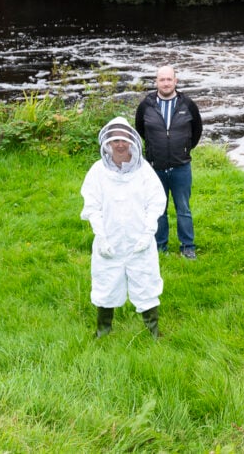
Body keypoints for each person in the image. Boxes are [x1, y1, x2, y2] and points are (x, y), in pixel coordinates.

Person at [81, 117, 166, 338]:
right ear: (107, 143)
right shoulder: (98, 171)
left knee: (146, 280)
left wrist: (147, 233)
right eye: (115, 140)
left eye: (124, 140)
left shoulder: (144, 170)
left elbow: (156, 202)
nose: (120, 145)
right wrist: (101, 236)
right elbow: (92, 206)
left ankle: (154, 332)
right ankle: (103, 330)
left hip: (139, 239)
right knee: (106, 281)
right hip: (110, 239)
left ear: (132, 141)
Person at [135, 65, 203, 259]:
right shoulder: (146, 105)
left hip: (181, 166)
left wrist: (183, 150)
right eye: (161, 79)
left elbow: (196, 131)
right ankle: (159, 246)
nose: (165, 83)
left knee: (183, 209)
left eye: (169, 79)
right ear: (156, 82)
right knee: (158, 209)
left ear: (176, 81)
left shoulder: (188, 105)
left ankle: (188, 246)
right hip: (155, 168)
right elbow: (141, 129)